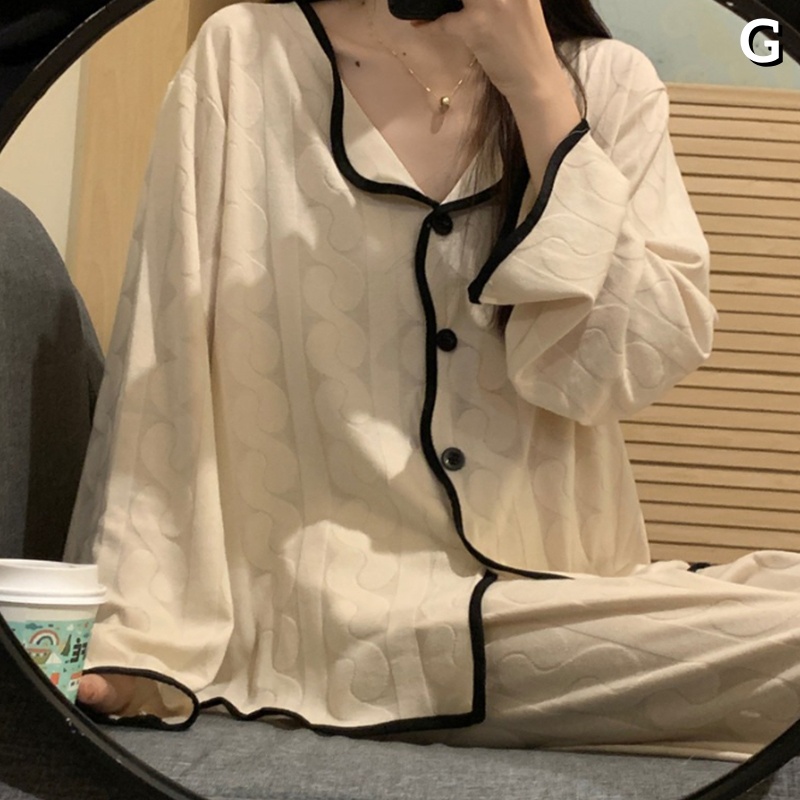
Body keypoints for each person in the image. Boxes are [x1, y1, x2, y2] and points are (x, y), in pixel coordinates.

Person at [65, 0, 800, 760]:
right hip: (333, 619)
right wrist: (133, 630)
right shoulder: (245, 56)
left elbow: (616, 375)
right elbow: (165, 362)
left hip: (562, 593)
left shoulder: (608, 82)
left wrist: (538, 90)